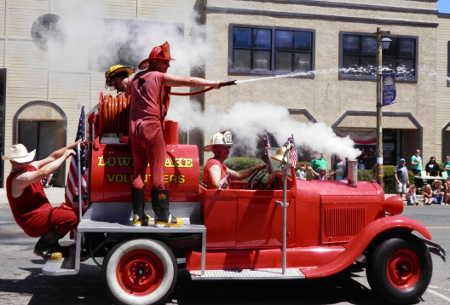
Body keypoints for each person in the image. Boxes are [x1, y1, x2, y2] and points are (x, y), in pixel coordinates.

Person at [129, 41, 222, 227]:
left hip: (133, 127)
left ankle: (138, 217)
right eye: (166, 62)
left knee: (137, 171)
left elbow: (124, 83)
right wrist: (213, 83)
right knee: (158, 171)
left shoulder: (135, 79)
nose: (168, 65)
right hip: (151, 127)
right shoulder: (158, 76)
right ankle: (163, 217)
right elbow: (189, 81)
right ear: (156, 62)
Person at [3, 142, 79, 258]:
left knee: (69, 212)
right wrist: (65, 156)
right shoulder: (18, 178)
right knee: (71, 217)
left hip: (44, 213)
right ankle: (44, 246)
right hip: (33, 220)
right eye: (21, 160)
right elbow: (43, 172)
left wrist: (73, 146)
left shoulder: (29, 167)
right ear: (12, 161)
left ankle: (53, 245)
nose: (25, 162)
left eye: (25, 159)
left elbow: (52, 156)